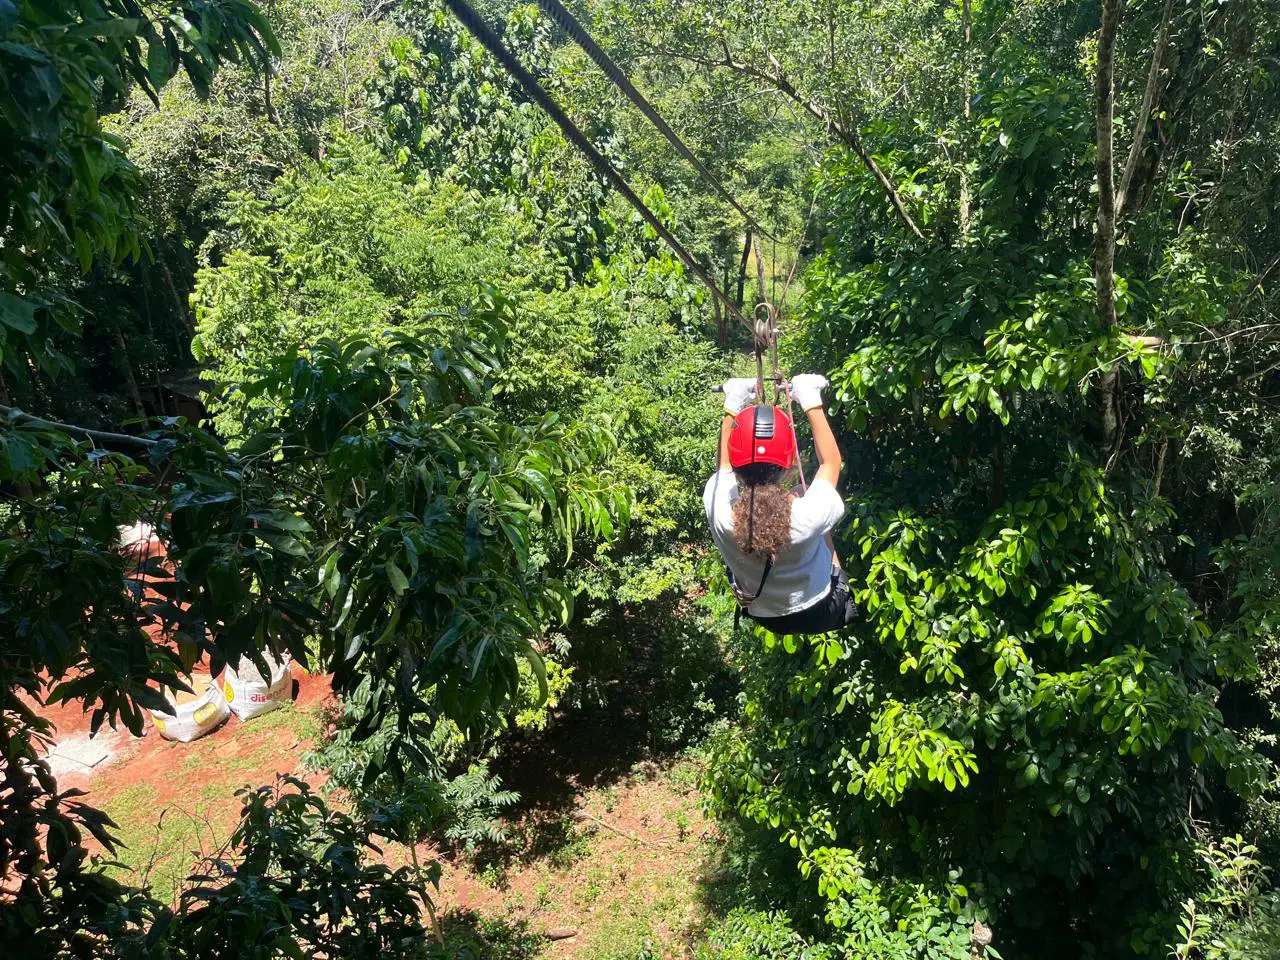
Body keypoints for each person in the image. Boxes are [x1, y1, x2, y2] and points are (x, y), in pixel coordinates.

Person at [703, 374, 861, 634]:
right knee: (803, 492)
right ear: (787, 466)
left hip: (766, 616)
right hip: (822, 610)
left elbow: (723, 466)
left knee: (804, 498)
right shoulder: (805, 515)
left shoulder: (722, 514)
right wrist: (810, 401)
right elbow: (831, 463)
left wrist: (734, 403)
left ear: (738, 469)